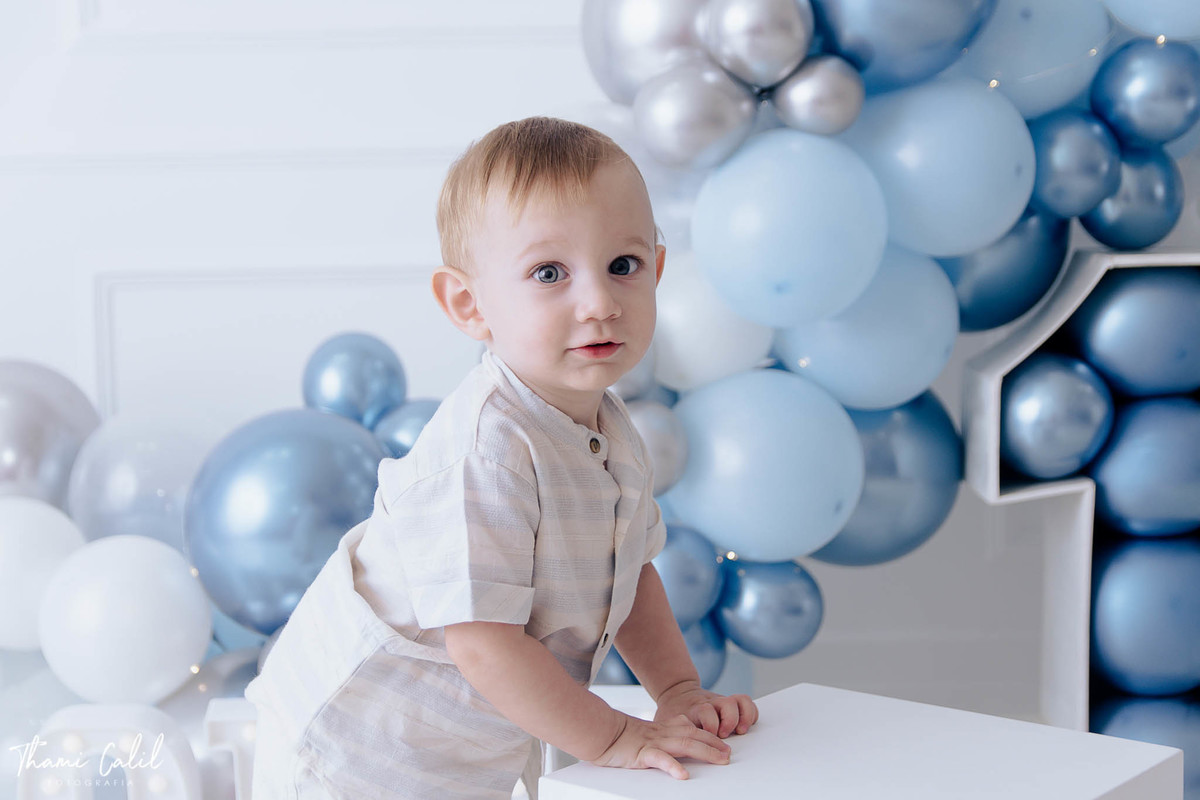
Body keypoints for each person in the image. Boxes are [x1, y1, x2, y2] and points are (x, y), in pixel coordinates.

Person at [243, 115, 759, 799]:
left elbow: (628, 575)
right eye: (549, 273)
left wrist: (676, 690)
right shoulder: (486, 451)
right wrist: (616, 737)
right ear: (469, 304)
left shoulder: (609, 427)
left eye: (623, 266)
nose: (599, 302)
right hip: (351, 753)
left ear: (657, 272)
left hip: (462, 752)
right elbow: (483, 644)